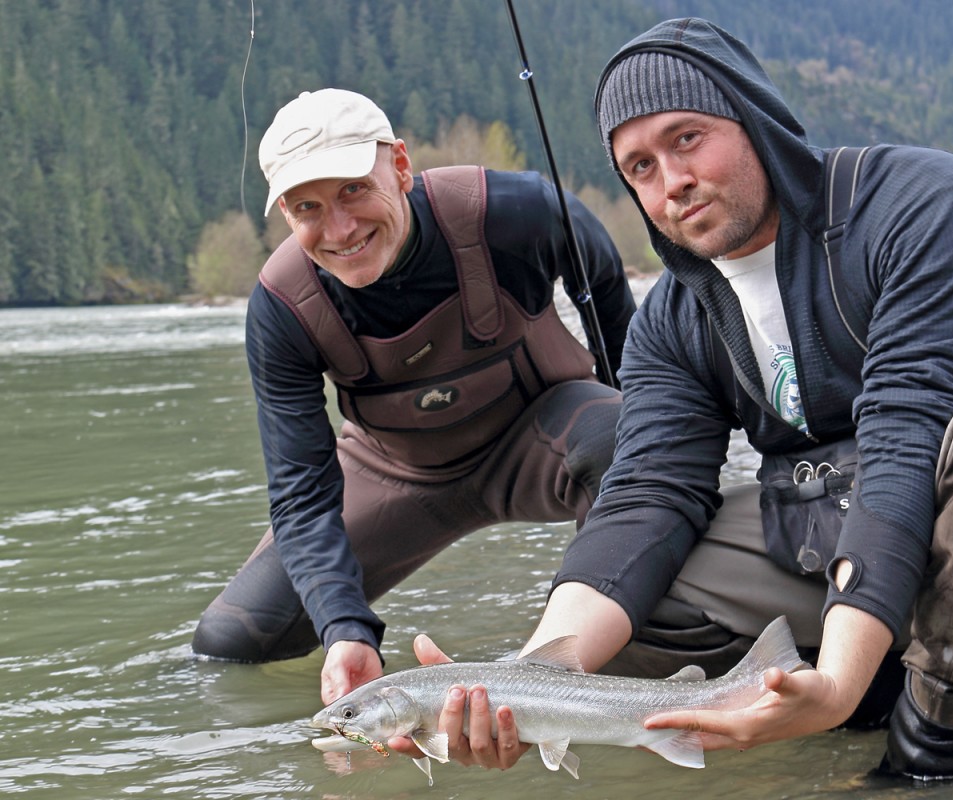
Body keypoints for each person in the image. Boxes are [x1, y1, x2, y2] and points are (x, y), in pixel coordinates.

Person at [393, 18, 953, 782]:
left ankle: (935, 754)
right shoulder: (672, 319)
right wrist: (525, 685)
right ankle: (869, 682)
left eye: (688, 138)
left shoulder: (933, 205)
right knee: (624, 601)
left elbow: (906, 437)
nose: (671, 182)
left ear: (754, 117)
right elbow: (646, 498)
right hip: (836, 514)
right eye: (640, 167)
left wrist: (837, 682)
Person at [190, 88, 636, 705]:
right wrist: (344, 628)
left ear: (400, 166)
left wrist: (646, 471)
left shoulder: (518, 212)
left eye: (352, 189)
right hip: (398, 475)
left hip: (546, 437)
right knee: (230, 640)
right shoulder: (281, 306)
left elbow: (618, 316)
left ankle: (620, 647)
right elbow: (301, 493)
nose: (340, 228)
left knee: (628, 436)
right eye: (307, 208)